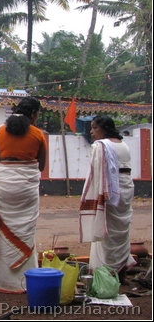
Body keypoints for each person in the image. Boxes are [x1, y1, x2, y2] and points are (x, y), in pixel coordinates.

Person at [0, 97, 47, 293]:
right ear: (34, 114)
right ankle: (22, 281)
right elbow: (41, 166)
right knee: (25, 231)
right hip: (26, 189)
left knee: (2, 233)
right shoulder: (38, 134)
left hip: (2, 186)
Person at [79, 115, 136, 283]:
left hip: (110, 192)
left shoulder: (101, 146)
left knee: (106, 231)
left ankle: (107, 273)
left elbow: (96, 173)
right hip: (125, 188)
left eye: (95, 127)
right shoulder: (123, 144)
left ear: (104, 129)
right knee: (121, 233)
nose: (91, 131)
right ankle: (121, 273)